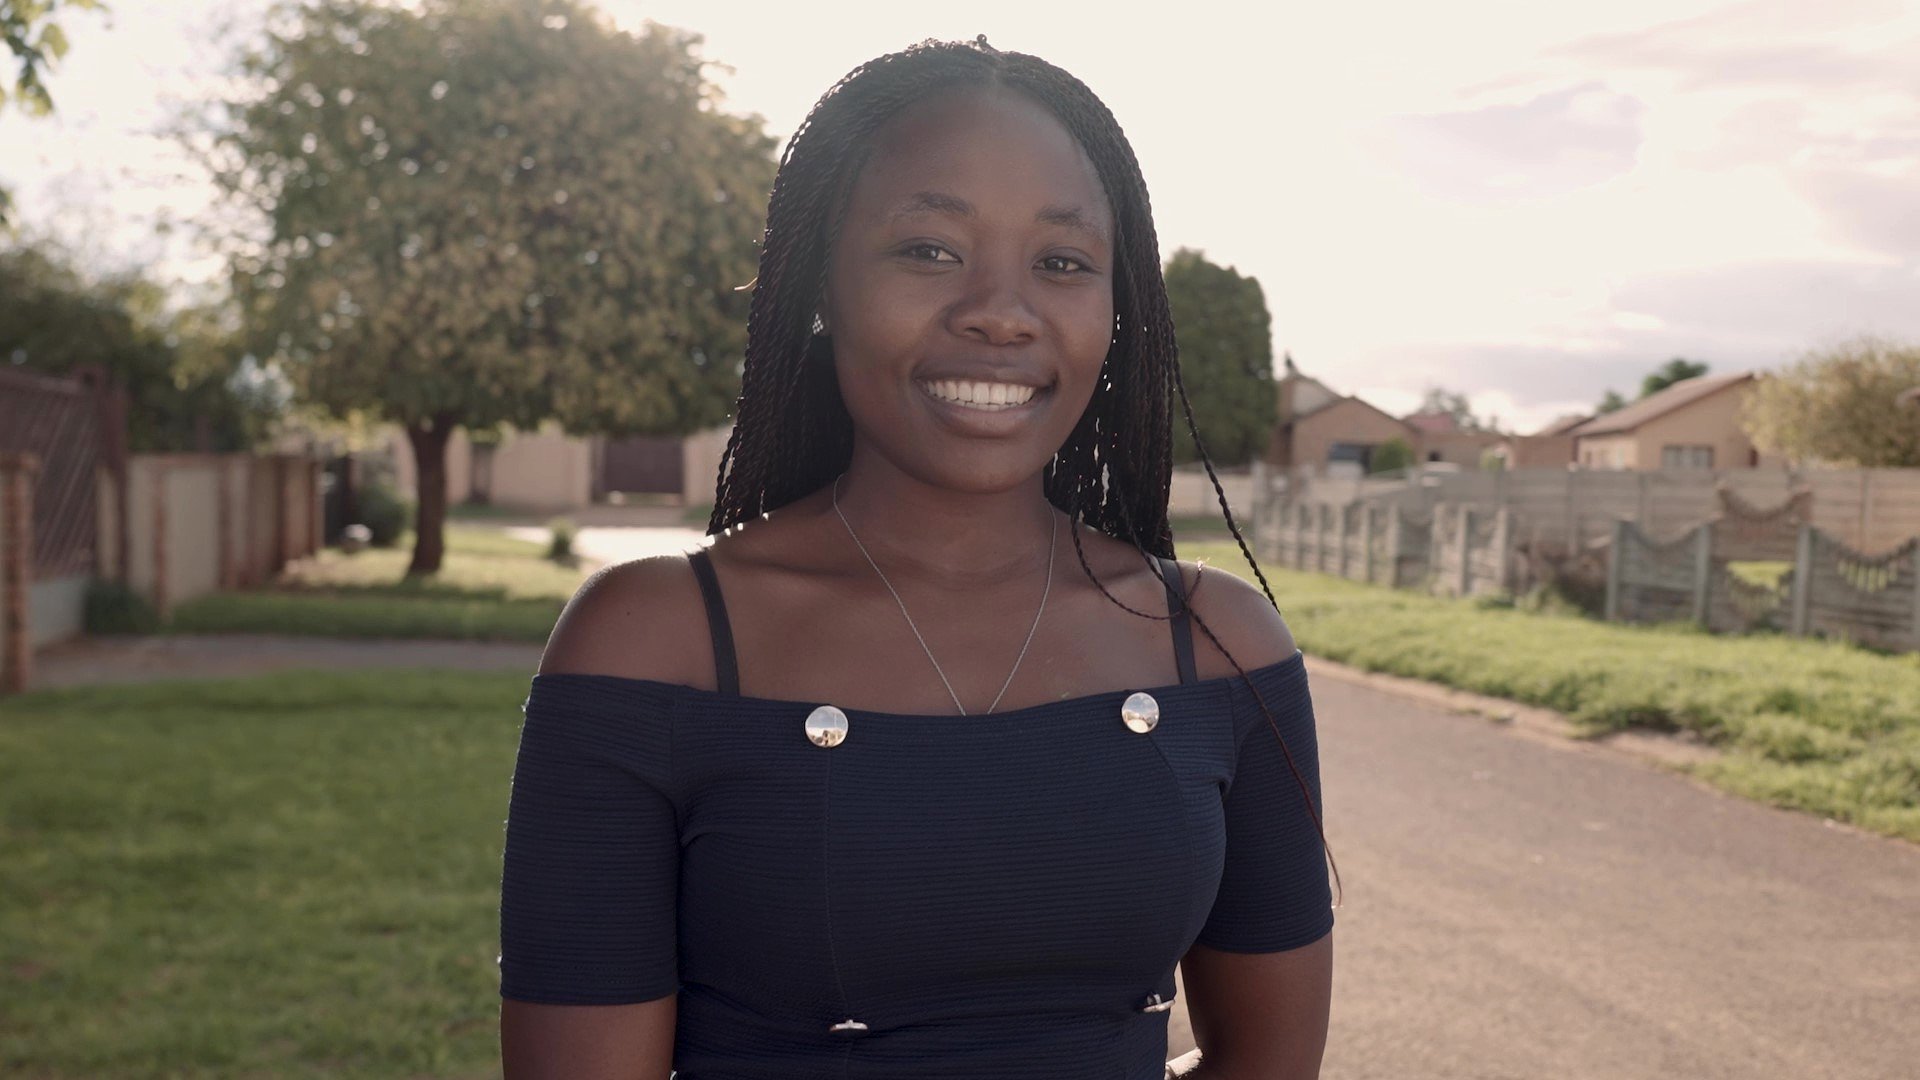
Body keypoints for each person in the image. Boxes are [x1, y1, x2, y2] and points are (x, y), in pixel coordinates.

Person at [498, 36, 1339, 1080]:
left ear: (1115, 314)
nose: (999, 310)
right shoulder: (650, 644)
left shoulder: (1216, 647)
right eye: (929, 249)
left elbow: (1269, 1061)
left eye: (1063, 262)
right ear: (821, 286)